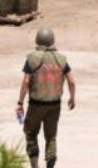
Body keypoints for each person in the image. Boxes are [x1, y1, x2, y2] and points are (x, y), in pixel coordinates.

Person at [17, 27, 77, 168]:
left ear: (37, 40)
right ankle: (50, 165)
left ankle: (34, 165)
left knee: (31, 133)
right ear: (52, 41)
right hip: (54, 105)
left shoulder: (32, 58)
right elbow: (72, 81)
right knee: (51, 137)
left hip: (36, 105)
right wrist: (72, 98)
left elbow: (26, 81)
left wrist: (20, 103)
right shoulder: (61, 59)